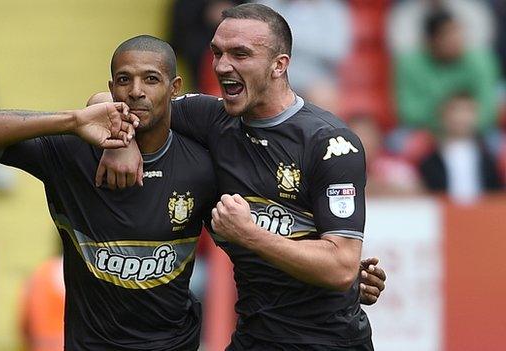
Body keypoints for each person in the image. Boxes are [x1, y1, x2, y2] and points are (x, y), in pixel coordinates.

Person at [97, 4, 382, 350]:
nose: (222, 66)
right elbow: (118, 101)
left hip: (328, 342)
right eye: (217, 52)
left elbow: (340, 268)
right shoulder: (211, 119)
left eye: (240, 54)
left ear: (279, 65)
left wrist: (250, 234)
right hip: (254, 337)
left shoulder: (330, 143)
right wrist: (120, 141)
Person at [0, 35, 220, 350]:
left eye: (150, 79)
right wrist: (74, 120)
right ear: (111, 88)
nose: (136, 91)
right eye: (124, 80)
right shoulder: (72, 153)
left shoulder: (201, 165)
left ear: (174, 88)